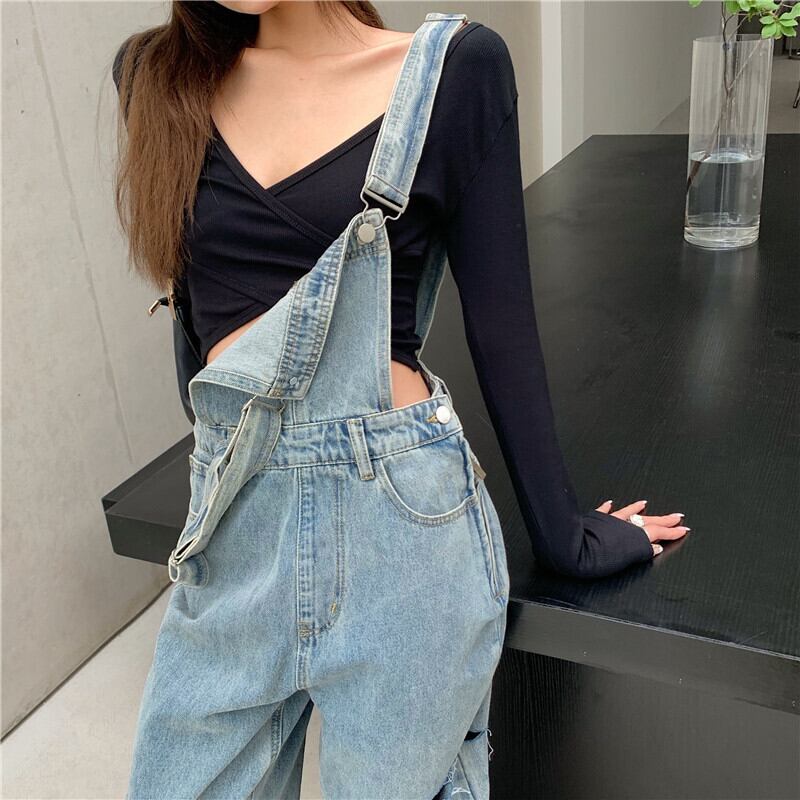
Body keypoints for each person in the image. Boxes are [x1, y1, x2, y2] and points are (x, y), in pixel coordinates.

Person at [112, 3, 689, 797]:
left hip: (403, 538)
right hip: (236, 531)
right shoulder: (155, 77)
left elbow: (503, 328)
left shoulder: (455, 71)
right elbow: (195, 318)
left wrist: (569, 539)